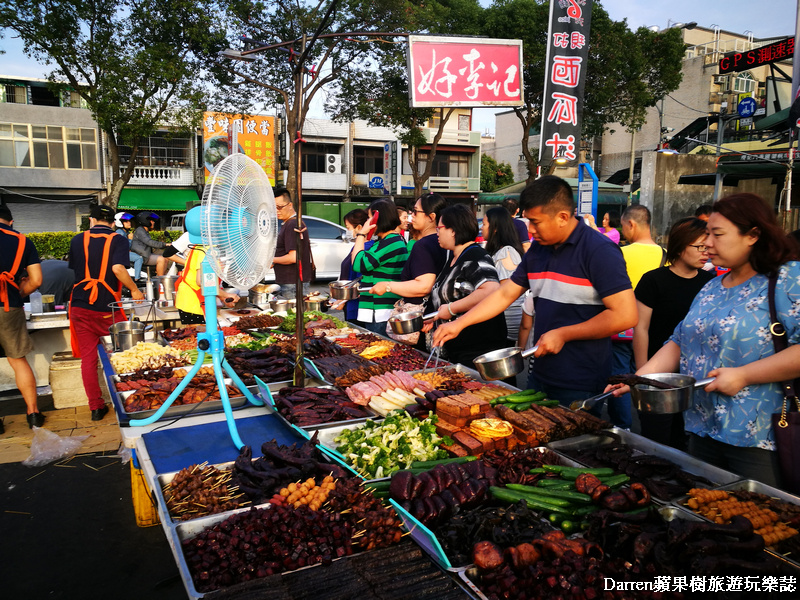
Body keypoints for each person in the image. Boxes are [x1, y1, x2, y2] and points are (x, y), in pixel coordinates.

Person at [608, 193, 800, 486]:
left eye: (717, 234)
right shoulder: (712, 287)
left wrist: (744, 376)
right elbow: (678, 341)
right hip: (702, 429)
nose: (708, 243)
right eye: (706, 234)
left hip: (758, 438)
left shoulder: (788, 280)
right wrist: (638, 378)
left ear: (753, 235)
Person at [433, 175, 636, 406]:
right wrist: (459, 323)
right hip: (539, 371)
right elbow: (504, 293)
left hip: (580, 378)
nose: (529, 229)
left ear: (562, 217)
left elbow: (626, 315)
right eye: (528, 220)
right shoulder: (539, 249)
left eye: (535, 222)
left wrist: (564, 333)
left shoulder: (600, 251)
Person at [632, 217, 715, 449]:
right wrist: (642, 377)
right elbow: (641, 328)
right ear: (679, 246)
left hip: (694, 376)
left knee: (684, 438)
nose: (705, 252)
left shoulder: (711, 283)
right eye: (699, 246)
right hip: (657, 373)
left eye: (707, 246)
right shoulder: (654, 280)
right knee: (656, 440)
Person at [69, 204, 144, 421]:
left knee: (88, 359)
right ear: (112, 223)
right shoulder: (117, 239)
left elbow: (76, 271)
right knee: (126, 354)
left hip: (79, 306)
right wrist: (134, 289)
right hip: (106, 308)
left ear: (91, 221)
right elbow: (118, 269)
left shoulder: (77, 240)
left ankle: (96, 407)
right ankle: (134, 400)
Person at [599, 204, 666, 429]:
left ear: (631, 224)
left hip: (620, 329)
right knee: (645, 374)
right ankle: (648, 421)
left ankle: (622, 426)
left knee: (619, 377)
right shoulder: (665, 255)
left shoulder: (620, 252)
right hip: (649, 328)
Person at [424, 204, 508, 367]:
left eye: (439, 228)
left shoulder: (474, 255)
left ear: (453, 230)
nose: (437, 232)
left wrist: (451, 309)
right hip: (459, 348)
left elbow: (491, 289)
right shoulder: (455, 257)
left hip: (478, 350)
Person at [369, 193, 448, 348]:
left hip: (423, 320)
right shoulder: (444, 244)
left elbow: (423, 286)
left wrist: (387, 285)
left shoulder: (423, 245)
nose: (411, 215)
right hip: (439, 315)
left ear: (431, 217)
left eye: (416, 211)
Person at [0, 205, 45, 430]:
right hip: (9, 305)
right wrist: (17, 292)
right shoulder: (21, 240)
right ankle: (33, 414)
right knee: (18, 360)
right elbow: (36, 280)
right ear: (10, 220)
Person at [351, 199, 409, 334]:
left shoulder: (391, 242)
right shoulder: (385, 241)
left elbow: (359, 264)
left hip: (381, 310)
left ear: (378, 218)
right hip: (376, 309)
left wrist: (361, 234)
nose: (367, 222)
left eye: (370, 218)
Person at [482, 207, 524, 344]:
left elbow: (505, 294)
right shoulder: (499, 252)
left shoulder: (506, 253)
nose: (482, 228)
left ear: (495, 228)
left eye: (484, 224)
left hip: (507, 325)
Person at [173, 240, 239, 325]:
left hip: (191, 298)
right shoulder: (207, 250)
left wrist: (222, 297)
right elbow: (201, 281)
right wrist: (224, 295)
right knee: (198, 334)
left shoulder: (203, 246)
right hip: (194, 301)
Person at [272, 187, 313, 300]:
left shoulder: (292, 224)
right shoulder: (289, 223)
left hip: (292, 283)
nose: (277, 211)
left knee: (292, 315)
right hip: (291, 281)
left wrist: (272, 260)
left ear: (290, 205)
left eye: (279, 207)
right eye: (274, 207)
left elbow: (293, 257)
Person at [338, 208, 370, 323]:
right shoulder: (357, 246)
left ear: (360, 228)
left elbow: (360, 281)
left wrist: (343, 299)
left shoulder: (366, 248)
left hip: (357, 308)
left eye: (348, 228)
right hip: (350, 304)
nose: (347, 231)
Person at [130, 211, 167, 280]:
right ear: (145, 221)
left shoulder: (144, 230)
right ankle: (159, 281)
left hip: (146, 254)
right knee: (161, 259)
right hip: (142, 256)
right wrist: (165, 244)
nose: (153, 222)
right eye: (151, 220)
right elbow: (149, 242)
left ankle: (161, 276)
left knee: (166, 258)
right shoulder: (140, 231)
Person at [115, 212, 143, 280]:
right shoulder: (120, 232)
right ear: (120, 223)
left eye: (129, 221)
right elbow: (124, 247)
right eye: (126, 221)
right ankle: (137, 278)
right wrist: (130, 239)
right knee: (139, 258)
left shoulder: (124, 232)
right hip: (121, 254)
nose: (129, 223)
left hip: (122, 253)